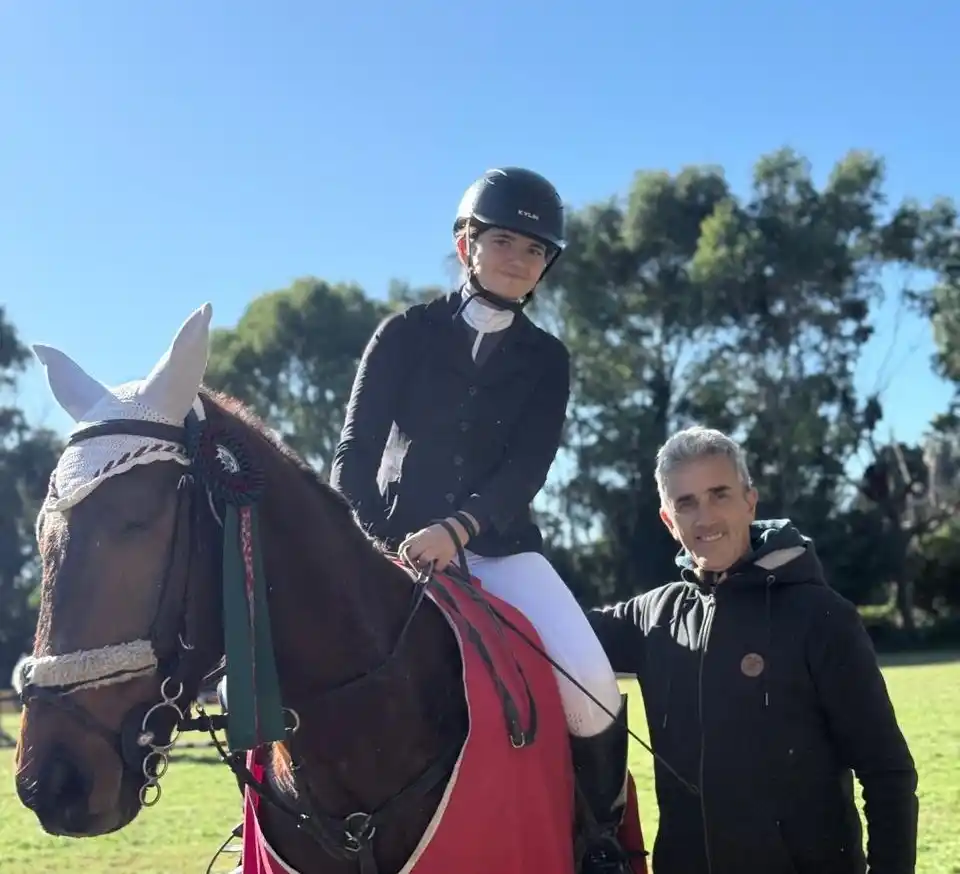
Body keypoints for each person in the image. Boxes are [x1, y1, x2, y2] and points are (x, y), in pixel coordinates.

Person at [329, 167, 643, 872]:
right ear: (465, 243)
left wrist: (459, 530)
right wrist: (376, 543)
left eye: (535, 250)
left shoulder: (548, 359)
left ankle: (598, 840)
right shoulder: (403, 333)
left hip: (500, 549)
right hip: (390, 546)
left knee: (592, 682)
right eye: (502, 240)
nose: (518, 259)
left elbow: (527, 469)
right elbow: (353, 453)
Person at [587, 425, 920, 874]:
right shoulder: (651, 616)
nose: (705, 518)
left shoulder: (822, 616)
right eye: (686, 503)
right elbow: (548, 632)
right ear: (668, 520)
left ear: (750, 500)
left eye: (719, 494)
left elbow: (888, 774)